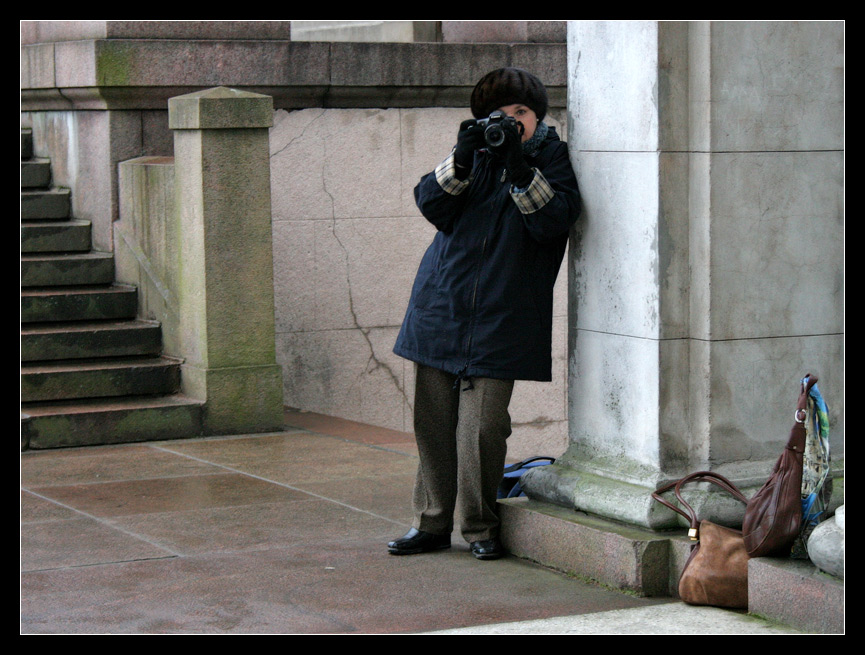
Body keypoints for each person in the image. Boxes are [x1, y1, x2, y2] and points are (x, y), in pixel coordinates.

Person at [389, 68, 581, 560]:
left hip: (505, 314)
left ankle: (479, 527)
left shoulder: (553, 158)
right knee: (433, 424)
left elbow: (554, 222)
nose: (511, 122)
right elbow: (431, 205)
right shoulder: (473, 154)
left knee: (482, 428)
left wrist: (519, 169)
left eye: (521, 113)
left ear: (538, 117)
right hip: (441, 303)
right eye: (500, 114)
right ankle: (431, 525)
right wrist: (459, 159)